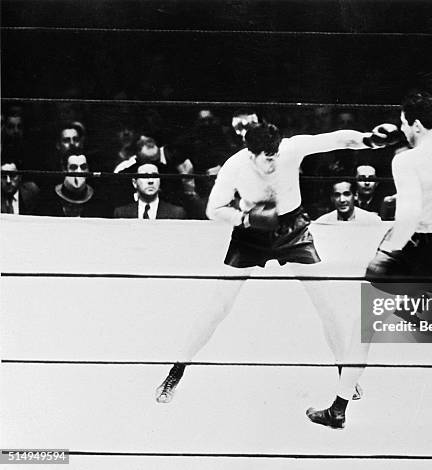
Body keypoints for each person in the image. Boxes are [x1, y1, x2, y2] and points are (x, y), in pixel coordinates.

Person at [307, 91, 432, 433]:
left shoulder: (406, 161)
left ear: (415, 123)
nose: (402, 127)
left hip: (412, 246)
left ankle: (339, 408)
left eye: (403, 122)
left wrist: (385, 255)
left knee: (365, 322)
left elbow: (409, 217)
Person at [153, 121, 393, 403]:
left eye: (276, 154)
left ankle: (344, 375)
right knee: (219, 305)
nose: (274, 161)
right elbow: (213, 209)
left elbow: (337, 139)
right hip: (251, 234)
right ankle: (176, 371)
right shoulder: (235, 166)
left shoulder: (290, 149)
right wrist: (244, 218)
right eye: (268, 158)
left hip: (293, 230)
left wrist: (369, 140)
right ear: (251, 153)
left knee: (327, 303)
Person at [37, 153, 111, 218]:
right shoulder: (47, 201)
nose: (79, 172)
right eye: (73, 167)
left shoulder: (99, 203)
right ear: (64, 170)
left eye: (83, 167)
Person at [113, 160, 186, 219]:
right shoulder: (121, 213)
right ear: (135, 183)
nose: (150, 181)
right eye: (145, 176)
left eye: (154, 176)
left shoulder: (176, 213)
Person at [315, 181, 381, 223]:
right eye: (337, 195)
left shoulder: (372, 221)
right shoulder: (323, 222)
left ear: (355, 196)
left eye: (346, 194)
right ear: (332, 198)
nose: (342, 200)